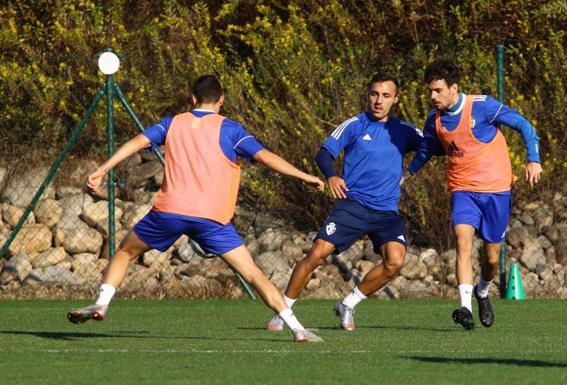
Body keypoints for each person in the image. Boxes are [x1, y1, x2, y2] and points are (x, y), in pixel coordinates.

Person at [68, 75, 324, 343]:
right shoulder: (231, 129)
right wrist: (304, 176)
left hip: (169, 213)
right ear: (222, 100)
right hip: (211, 219)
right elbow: (265, 157)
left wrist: (101, 170)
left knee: (124, 252)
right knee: (251, 273)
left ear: (193, 98)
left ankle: (102, 302)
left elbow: (137, 143)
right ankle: (296, 328)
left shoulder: (173, 123)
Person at [266, 73, 423, 332]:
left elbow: (436, 145)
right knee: (317, 254)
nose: (378, 101)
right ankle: (283, 309)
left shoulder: (405, 131)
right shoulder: (354, 125)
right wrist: (332, 175)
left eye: (385, 96)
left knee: (395, 261)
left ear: (395, 99)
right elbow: (324, 154)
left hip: (386, 211)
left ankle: (348, 303)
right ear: (368, 94)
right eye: (374, 94)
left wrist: (414, 168)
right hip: (354, 206)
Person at [404, 59, 542, 330]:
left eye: (438, 91)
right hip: (463, 190)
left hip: (496, 192)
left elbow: (525, 126)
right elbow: (427, 149)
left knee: (491, 259)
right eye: (430, 91)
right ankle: (465, 308)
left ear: (453, 88)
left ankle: (482, 291)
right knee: (462, 241)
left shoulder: (482, 106)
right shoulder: (434, 120)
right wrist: (408, 173)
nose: (432, 96)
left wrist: (533, 159)